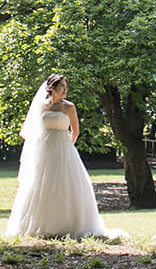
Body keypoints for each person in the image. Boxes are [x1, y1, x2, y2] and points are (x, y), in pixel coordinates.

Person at [6, 74, 117, 239]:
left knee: (66, 184)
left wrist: (66, 148)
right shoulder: (41, 106)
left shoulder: (68, 107)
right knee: (41, 184)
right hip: (44, 150)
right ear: (52, 88)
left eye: (66, 87)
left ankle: (69, 225)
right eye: (62, 87)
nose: (65, 90)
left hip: (64, 148)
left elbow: (75, 131)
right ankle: (40, 224)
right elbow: (34, 131)